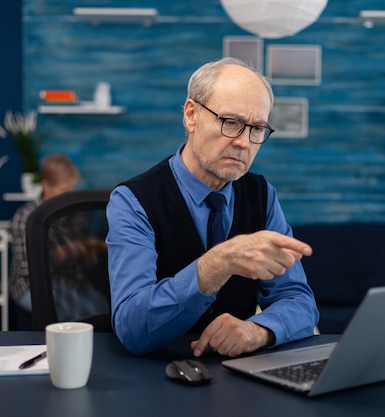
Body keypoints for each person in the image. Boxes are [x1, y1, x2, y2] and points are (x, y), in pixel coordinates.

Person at [106, 57, 319, 357]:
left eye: (256, 129)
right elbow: (132, 328)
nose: (244, 143)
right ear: (191, 115)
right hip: (155, 378)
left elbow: (298, 300)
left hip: (238, 379)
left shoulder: (261, 195)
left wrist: (259, 330)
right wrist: (217, 264)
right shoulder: (133, 200)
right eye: (231, 123)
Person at [9, 153, 80, 317]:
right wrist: (61, 255)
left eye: (73, 188)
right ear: (46, 186)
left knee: (100, 306)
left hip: (68, 283)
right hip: (31, 286)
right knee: (71, 313)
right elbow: (28, 270)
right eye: (64, 190)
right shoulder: (26, 217)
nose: (71, 195)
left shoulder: (76, 215)